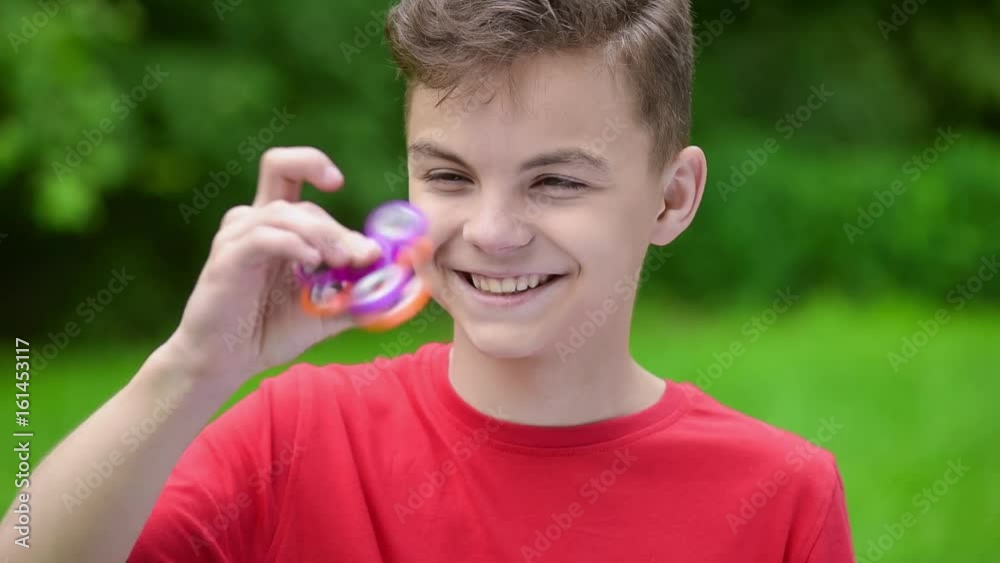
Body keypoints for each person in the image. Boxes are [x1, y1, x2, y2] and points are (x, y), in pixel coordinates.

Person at [1, 0, 856, 561]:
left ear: (673, 196)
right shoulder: (292, 438)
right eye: (448, 177)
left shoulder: (781, 496)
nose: (491, 231)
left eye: (556, 181)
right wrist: (191, 369)